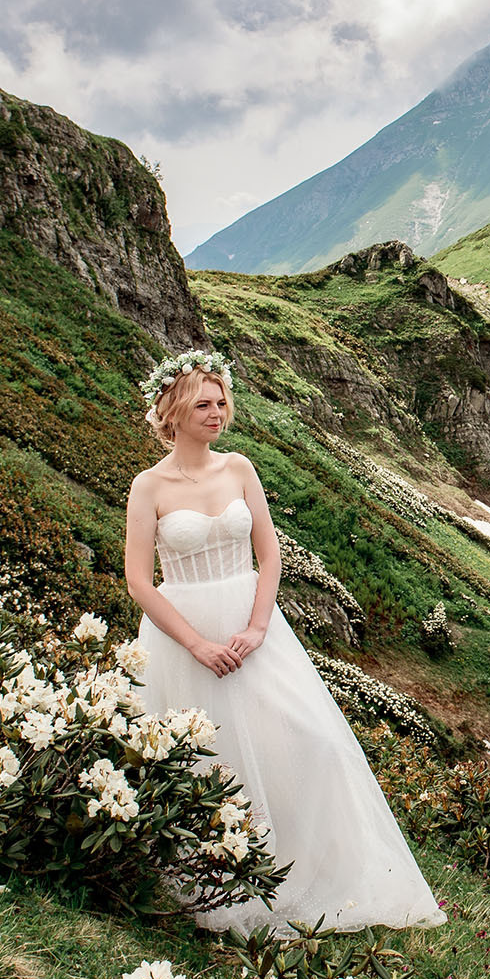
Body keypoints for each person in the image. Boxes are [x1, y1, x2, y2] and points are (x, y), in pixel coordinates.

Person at [123, 349, 445, 935]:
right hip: (183, 635)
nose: (217, 413)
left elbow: (269, 555)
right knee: (211, 759)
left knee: (312, 742)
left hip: (254, 626)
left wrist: (256, 627)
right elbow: (139, 582)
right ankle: (216, 887)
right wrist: (196, 645)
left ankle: (315, 870)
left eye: (222, 402)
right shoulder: (148, 487)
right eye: (203, 404)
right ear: (173, 411)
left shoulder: (240, 468)